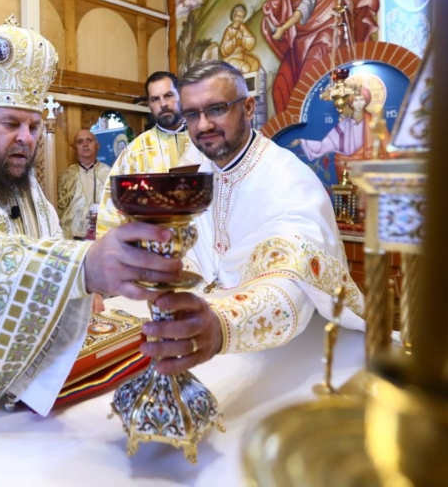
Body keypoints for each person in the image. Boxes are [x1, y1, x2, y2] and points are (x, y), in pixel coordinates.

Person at [0, 17, 183, 415]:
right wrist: (81, 269)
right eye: (10, 123)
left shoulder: (26, 190)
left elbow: (50, 245)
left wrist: (79, 293)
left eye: (35, 126)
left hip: (14, 379)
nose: (26, 138)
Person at [143, 60, 365, 368]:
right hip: (202, 337)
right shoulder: (200, 172)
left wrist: (222, 326)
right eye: (192, 114)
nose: (203, 125)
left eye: (216, 109)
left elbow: (293, 279)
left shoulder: (288, 180)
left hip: (285, 355)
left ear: (248, 108)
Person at [261, 0, 379, 114]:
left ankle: (319, 120)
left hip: (326, 29)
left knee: (311, 75)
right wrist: (273, 20)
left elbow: (307, 3)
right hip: (301, 39)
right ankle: (293, 126)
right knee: (281, 86)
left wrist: (282, 28)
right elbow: (283, 12)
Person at [97, 71, 198, 235]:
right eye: (155, 99)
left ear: (181, 95)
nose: (163, 104)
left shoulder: (203, 138)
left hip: (206, 240)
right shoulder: (134, 151)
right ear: (149, 105)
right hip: (154, 241)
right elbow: (112, 209)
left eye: (169, 95)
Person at [293, 86, 391, 183]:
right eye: (355, 100)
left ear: (365, 102)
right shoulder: (344, 124)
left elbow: (386, 143)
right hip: (346, 165)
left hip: (368, 165)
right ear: (351, 103)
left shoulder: (374, 122)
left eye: (361, 100)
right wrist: (303, 141)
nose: (358, 103)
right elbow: (328, 142)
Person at [57, 130, 110, 241]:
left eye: (89, 140)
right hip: (72, 239)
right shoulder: (66, 176)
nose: (85, 144)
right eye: (80, 142)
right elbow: (59, 211)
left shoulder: (109, 174)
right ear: (74, 148)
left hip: (102, 236)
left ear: (97, 145)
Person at [219, 4, 261, 74]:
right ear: (234, 16)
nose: (240, 19)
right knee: (246, 68)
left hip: (242, 56)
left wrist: (242, 41)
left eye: (242, 17)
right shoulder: (229, 30)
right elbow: (224, 51)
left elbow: (251, 41)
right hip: (231, 58)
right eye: (238, 16)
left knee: (255, 63)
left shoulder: (242, 27)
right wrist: (234, 42)